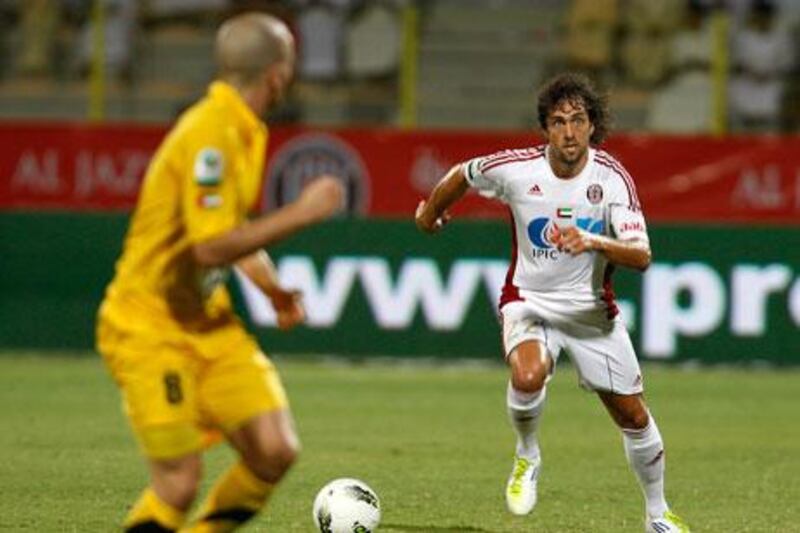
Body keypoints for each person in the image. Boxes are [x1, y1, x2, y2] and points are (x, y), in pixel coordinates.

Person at [96, 12, 343, 532]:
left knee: (274, 451)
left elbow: (229, 229)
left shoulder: (242, 128)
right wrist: (302, 212)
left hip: (209, 324)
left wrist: (271, 287)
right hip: (150, 326)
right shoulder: (210, 133)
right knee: (178, 483)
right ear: (277, 73)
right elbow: (209, 248)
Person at [415, 73, 690, 533]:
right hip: (529, 301)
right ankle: (527, 455)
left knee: (633, 416)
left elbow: (641, 256)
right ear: (545, 128)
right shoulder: (518, 170)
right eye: (558, 122)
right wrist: (429, 213)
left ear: (592, 125)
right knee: (527, 374)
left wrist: (591, 240)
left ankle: (657, 514)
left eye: (578, 120)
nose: (568, 131)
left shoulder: (612, 179)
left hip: (590, 312)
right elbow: (461, 173)